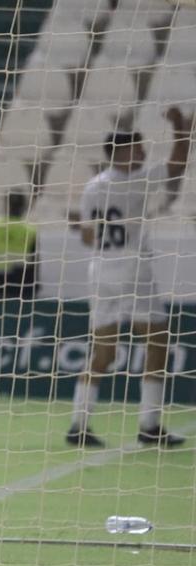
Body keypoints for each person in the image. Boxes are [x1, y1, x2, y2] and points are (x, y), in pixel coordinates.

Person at [67, 108, 193, 449]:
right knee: (157, 341)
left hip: (100, 271)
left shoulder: (93, 186)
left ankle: (79, 424)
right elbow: (178, 165)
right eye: (137, 149)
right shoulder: (137, 179)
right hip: (133, 270)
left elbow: (86, 235)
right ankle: (149, 425)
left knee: (103, 353)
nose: (143, 153)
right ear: (120, 153)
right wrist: (182, 129)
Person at [0, 191, 38, 301]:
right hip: (20, 282)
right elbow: (35, 260)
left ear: (6, 204)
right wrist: (35, 283)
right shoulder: (30, 229)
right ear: (24, 206)